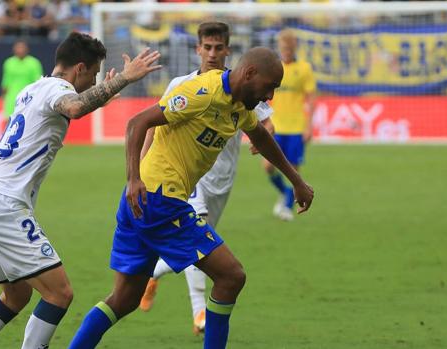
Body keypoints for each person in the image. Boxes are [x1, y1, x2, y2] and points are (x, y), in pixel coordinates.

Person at [68, 47, 314, 349]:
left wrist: (297, 181)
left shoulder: (240, 105)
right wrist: (133, 178)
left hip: (144, 203)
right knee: (231, 276)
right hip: (159, 199)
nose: (270, 96)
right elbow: (137, 123)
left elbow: (261, 136)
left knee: (124, 299)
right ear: (250, 74)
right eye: (269, 86)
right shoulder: (203, 91)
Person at [0, 32, 161, 349]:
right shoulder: (59, 89)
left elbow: (65, 109)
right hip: (4, 205)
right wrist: (122, 79)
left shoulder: (32, 89)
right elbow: (75, 106)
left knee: (16, 295)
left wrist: (99, 95)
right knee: (60, 293)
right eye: (93, 74)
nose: (93, 80)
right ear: (80, 68)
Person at [137, 21, 274, 336]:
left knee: (198, 246)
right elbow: (153, 126)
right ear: (198, 49)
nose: (212, 53)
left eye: (218, 48)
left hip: (222, 179)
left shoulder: (244, 88)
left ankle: (153, 274)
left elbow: (266, 124)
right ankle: (199, 312)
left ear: (227, 50)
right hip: (183, 178)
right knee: (199, 247)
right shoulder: (181, 84)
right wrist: (142, 167)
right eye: (207, 47)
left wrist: (262, 138)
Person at [264, 29, 317, 221]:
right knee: (268, 167)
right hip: (276, 126)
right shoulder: (274, 68)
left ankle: (287, 207)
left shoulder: (304, 68)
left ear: (294, 47)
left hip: (295, 127)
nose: (286, 51)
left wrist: (309, 126)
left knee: (293, 172)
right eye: (283, 48)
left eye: (289, 47)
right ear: (280, 47)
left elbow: (311, 98)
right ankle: (285, 194)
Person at [1, 40, 44, 118]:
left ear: (27, 50)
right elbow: (5, 82)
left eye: (22, 48)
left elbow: (39, 82)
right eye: (18, 48)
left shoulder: (34, 63)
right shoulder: (9, 62)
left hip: (28, 97)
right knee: (10, 120)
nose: (20, 50)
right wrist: (3, 98)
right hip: (12, 97)